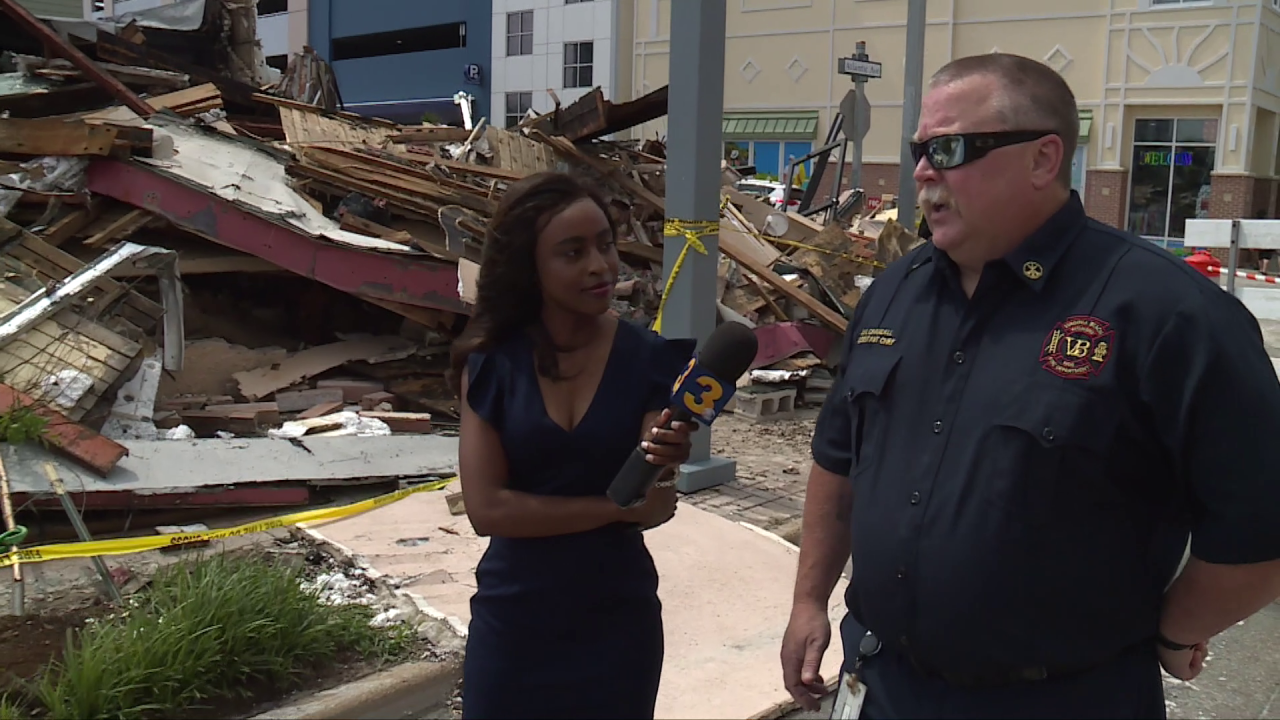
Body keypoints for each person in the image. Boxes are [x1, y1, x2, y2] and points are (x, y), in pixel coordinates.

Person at [780, 52, 1280, 719]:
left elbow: (1258, 529)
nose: (924, 170)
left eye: (951, 148)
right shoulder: (895, 291)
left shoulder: (1169, 314)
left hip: (1062, 698)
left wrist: (1175, 629)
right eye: (919, 148)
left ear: (1044, 160)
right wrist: (809, 600)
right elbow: (838, 458)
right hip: (884, 684)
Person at [448, 171, 699, 720]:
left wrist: (664, 459)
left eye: (606, 245)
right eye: (573, 252)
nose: (600, 265)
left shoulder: (649, 359)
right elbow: (488, 509)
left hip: (617, 622)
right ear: (530, 269)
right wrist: (611, 507)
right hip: (514, 621)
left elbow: (650, 497)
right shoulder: (490, 364)